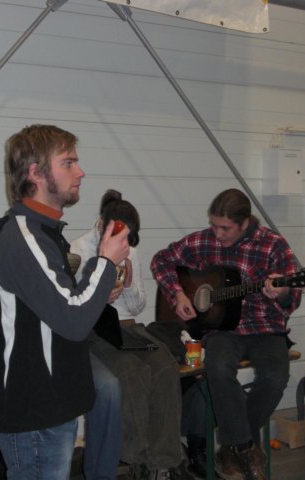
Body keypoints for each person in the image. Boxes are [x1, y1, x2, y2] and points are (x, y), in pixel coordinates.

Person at [0, 124, 130, 480]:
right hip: (35, 413)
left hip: (50, 408)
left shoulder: (45, 233)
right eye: (68, 163)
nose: (80, 172)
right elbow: (73, 320)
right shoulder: (24, 238)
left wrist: (98, 288)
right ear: (35, 173)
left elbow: (59, 307)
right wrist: (106, 262)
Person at [0, 215, 123, 480]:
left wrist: (98, 291)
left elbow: (64, 299)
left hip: (60, 343)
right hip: (10, 349)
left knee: (108, 387)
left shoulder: (53, 238)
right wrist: (7, 257)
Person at [151, 188, 302, 480]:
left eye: (225, 228)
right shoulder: (204, 241)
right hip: (222, 330)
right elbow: (161, 260)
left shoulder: (273, 245)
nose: (217, 234)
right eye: (214, 225)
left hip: (264, 327)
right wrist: (177, 294)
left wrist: (282, 291)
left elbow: (292, 299)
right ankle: (245, 447)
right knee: (218, 368)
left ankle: (232, 447)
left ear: (245, 223)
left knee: (275, 377)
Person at [71, 190, 192, 480]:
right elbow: (74, 305)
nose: (125, 243)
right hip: (97, 329)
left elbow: (138, 306)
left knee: (165, 367)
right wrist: (102, 296)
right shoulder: (79, 249)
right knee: (131, 372)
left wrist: (126, 284)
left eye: (129, 237)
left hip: (129, 326)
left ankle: (163, 461)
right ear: (103, 226)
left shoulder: (130, 250)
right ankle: (136, 459)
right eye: (121, 236)